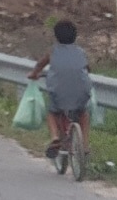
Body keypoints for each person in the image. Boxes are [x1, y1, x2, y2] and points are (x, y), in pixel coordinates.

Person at [31, 19, 92, 163]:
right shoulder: (81, 52)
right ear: (75, 36)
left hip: (58, 92)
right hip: (81, 91)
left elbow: (40, 64)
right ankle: (84, 145)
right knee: (83, 113)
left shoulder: (53, 51)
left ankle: (55, 138)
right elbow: (88, 69)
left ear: (56, 36)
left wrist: (34, 74)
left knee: (53, 112)